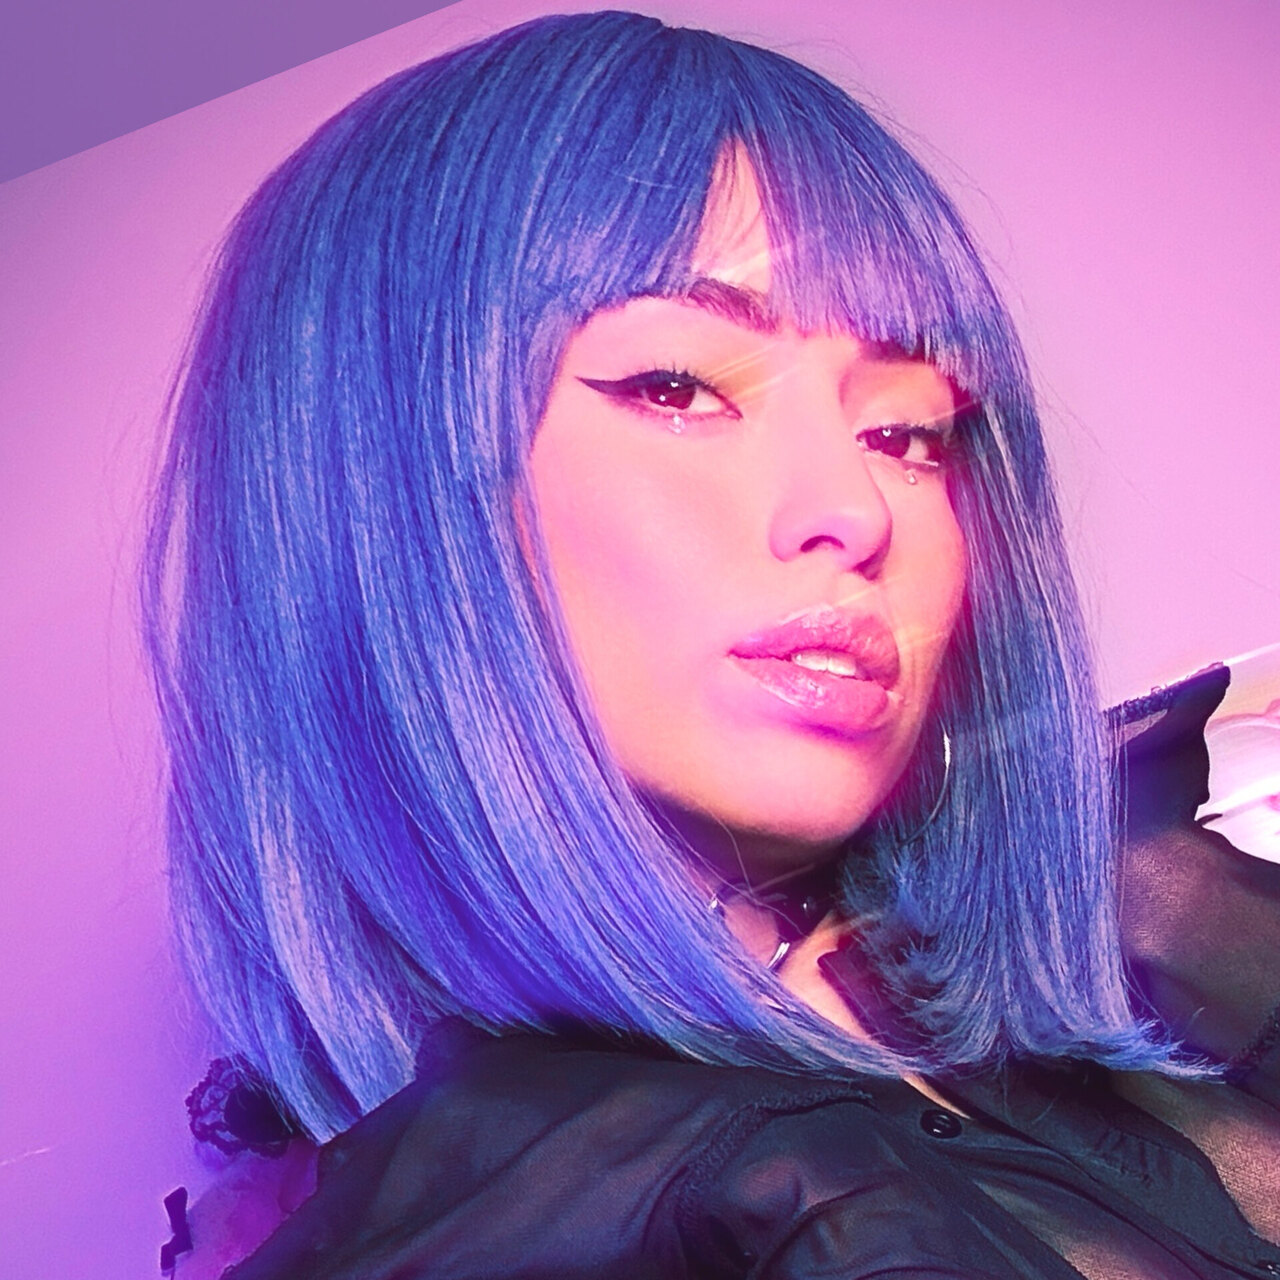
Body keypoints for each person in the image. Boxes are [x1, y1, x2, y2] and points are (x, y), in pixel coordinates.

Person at [144, 11, 1280, 1277]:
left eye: (904, 431)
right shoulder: (462, 1236)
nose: (853, 511)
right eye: (677, 386)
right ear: (374, 488)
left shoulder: (1180, 903)